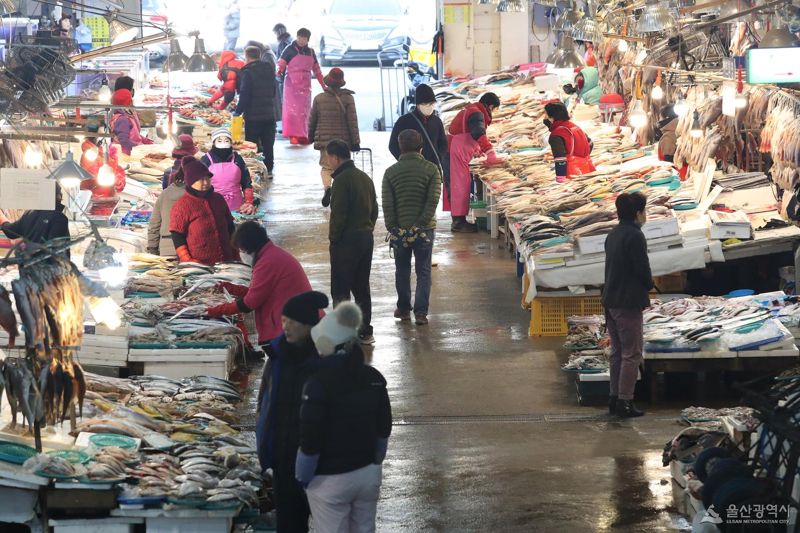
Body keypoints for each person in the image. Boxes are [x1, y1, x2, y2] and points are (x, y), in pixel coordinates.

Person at [295, 302, 392, 533]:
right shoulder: (374, 377)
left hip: (330, 480)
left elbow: (310, 438)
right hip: (368, 474)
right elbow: (383, 428)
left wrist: (303, 476)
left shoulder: (317, 384)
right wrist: (375, 461)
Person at [254, 290, 328, 533]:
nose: (285, 326)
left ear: (308, 325)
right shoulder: (276, 358)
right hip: (284, 461)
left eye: (292, 322)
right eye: (284, 320)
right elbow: (263, 401)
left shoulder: (325, 360)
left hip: (318, 464)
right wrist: (265, 448)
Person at [205, 221, 314, 344]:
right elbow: (261, 291)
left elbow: (249, 303)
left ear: (250, 246)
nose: (243, 253)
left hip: (295, 329)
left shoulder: (268, 262)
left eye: (243, 250)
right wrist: (234, 289)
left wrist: (217, 310)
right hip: (301, 321)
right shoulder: (273, 254)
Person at [383, 130, 441, 326]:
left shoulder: (390, 172)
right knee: (424, 270)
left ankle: (404, 310)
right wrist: (420, 225)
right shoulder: (431, 169)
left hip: (400, 230)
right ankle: (422, 313)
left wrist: (393, 227)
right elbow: (432, 200)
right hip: (425, 231)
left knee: (402, 270)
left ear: (400, 148)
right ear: (421, 147)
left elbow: (387, 205)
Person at [603, 192, 653, 419]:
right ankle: (625, 401)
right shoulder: (635, 236)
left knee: (617, 352)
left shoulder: (612, 234)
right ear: (637, 213)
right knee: (632, 354)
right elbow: (641, 269)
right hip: (627, 301)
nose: (645, 215)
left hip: (611, 300)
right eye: (644, 211)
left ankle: (614, 398)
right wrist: (649, 284)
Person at [326, 140, 378, 345]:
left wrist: (334, 239)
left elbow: (338, 214)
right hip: (365, 238)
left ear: (335, 157)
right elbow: (374, 209)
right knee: (361, 287)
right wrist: (368, 228)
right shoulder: (364, 178)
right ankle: (365, 331)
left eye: (328, 157)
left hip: (346, 241)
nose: (328, 162)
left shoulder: (341, 180)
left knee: (340, 289)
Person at [448, 92, 502, 233]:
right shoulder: (477, 113)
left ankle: (458, 220)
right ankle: (458, 223)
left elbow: (470, 133)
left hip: (458, 151)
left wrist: (477, 149)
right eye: (495, 109)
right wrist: (489, 150)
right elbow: (478, 132)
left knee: (460, 184)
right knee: (460, 185)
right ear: (490, 106)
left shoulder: (472, 109)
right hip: (456, 151)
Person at [169, 156, 238, 266]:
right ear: (190, 181)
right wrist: (186, 259)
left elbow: (230, 227)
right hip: (200, 265)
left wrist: (236, 254)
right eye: (200, 179)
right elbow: (177, 235)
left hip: (226, 262)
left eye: (207, 178)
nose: (205, 182)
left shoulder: (218, 199)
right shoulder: (182, 205)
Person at [308, 67, 360, 207]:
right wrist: (355, 142)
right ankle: (340, 192)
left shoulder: (319, 99)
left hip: (325, 141)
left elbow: (312, 120)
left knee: (326, 167)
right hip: (343, 141)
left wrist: (310, 136)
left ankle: (328, 188)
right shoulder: (348, 98)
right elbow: (352, 122)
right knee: (342, 167)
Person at [388, 84, 448, 200]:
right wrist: (404, 160)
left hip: (432, 170)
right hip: (410, 172)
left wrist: (438, 158)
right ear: (417, 105)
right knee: (414, 200)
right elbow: (392, 145)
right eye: (425, 104)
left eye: (431, 104)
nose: (429, 107)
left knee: (431, 201)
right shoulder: (404, 121)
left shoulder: (437, 121)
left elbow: (443, 143)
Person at [277, 28, 326, 145]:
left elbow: (317, 70)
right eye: (299, 37)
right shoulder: (289, 49)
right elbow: (281, 63)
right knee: (291, 111)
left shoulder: (311, 52)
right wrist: (279, 71)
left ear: (308, 40)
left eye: (304, 38)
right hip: (291, 86)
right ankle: (292, 135)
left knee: (304, 112)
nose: (301, 40)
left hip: (305, 85)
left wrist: (323, 84)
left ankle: (304, 135)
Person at [235, 46, 278, 179]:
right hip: (269, 114)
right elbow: (273, 91)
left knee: (252, 145)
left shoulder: (247, 72)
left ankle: (254, 172)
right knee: (268, 144)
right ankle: (269, 170)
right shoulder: (269, 69)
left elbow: (245, 95)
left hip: (253, 116)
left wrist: (237, 112)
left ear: (246, 56)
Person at [200, 128, 256, 214]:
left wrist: (249, 202)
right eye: (219, 140)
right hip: (213, 206)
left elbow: (246, 182)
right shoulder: (206, 160)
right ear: (214, 142)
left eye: (226, 140)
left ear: (230, 143)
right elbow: (199, 185)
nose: (223, 143)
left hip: (237, 206)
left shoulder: (237, 159)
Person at [0, 184, 69, 246]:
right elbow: (56, 251)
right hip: (45, 259)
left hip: (30, 259)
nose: (61, 195)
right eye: (59, 192)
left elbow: (10, 232)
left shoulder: (29, 214)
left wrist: (2, 217)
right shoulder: (59, 218)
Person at [544, 101, 596, 183]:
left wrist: (560, 179)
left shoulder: (556, 134)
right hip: (588, 169)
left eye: (546, 114)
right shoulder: (574, 126)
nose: (545, 116)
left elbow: (560, 159)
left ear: (552, 116)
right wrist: (582, 156)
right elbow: (590, 143)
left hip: (572, 174)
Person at [149, 165, 186, 257]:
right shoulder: (196, 197)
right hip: (190, 249)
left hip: (166, 248)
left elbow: (154, 224)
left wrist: (152, 248)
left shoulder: (165, 193)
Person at [109, 88, 150, 155]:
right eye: (130, 100)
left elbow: (133, 134)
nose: (132, 101)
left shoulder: (127, 116)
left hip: (130, 152)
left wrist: (144, 140)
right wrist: (139, 147)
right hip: (125, 155)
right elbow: (124, 141)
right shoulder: (123, 120)